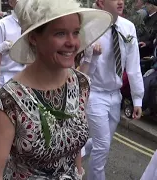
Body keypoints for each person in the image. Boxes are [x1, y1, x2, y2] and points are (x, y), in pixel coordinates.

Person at [0, 0, 113, 179]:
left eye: (75, 32)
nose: (72, 42)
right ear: (34, 38)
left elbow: (74, 142)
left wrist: (79, 172)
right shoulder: (9, 101)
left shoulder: (81, 83)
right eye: (60, 33)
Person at [80, 0, 145, 179]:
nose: (121, 1)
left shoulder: (128, 27)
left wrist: (137, 98)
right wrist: (91, 55)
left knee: (103, 142)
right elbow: (81, 71)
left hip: (115, 96)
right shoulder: (90, 26)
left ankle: (74, 156)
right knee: (102, 147)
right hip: (95, 94)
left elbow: (134, 66)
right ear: (101, 3)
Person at [0, 0, 26, 88]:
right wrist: (1, 48)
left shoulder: (34, 23)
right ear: (11, 3)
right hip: (8, 79)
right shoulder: (2, 24)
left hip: (30, 77)